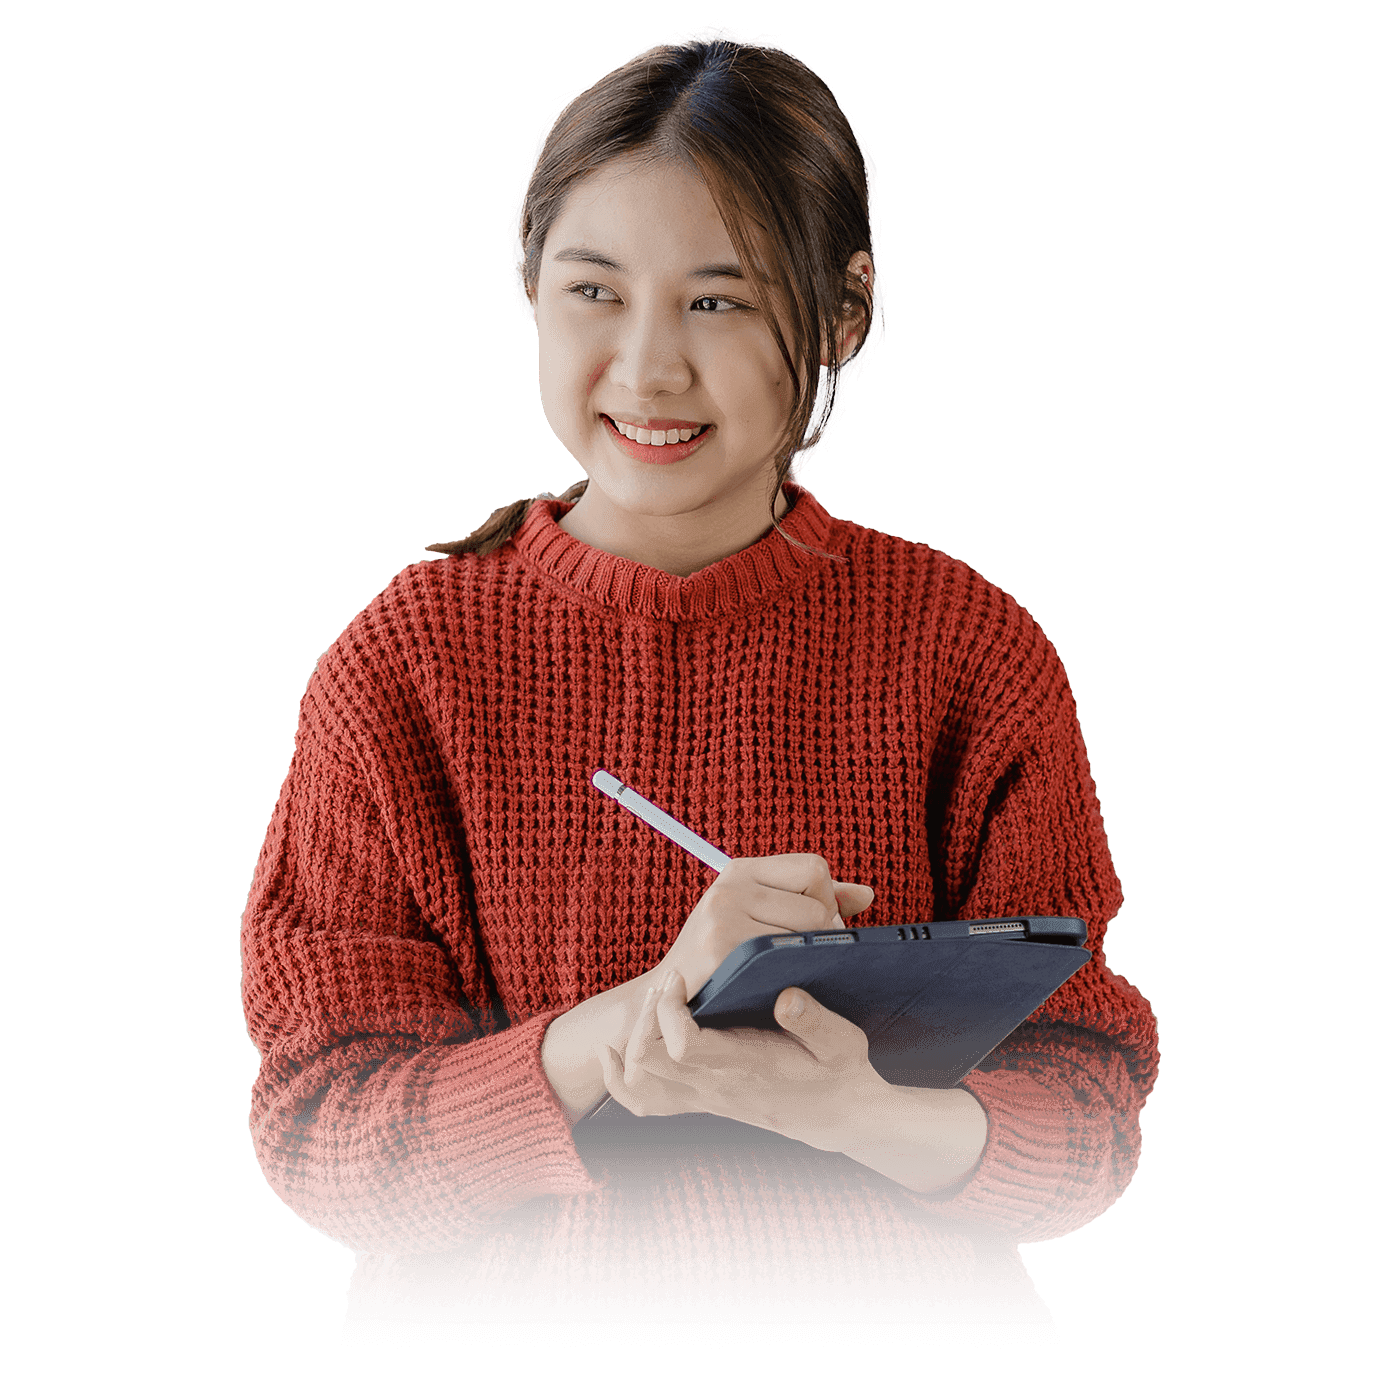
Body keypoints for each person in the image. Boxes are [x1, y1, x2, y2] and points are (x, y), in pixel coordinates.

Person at [240, 29, 1158, 1330]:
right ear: (529, 289)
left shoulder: (968, 650)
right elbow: (326, 1141)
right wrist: (626, 1029)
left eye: (718, 300)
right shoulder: (403, 668)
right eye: (594, 291)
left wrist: (861, 1115)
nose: (648, 367)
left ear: (846, 314)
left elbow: (1089, 1117)